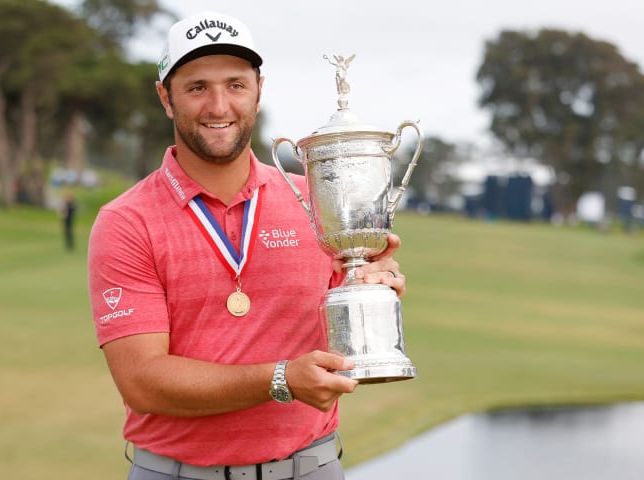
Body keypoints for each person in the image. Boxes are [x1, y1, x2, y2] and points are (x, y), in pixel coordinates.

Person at [87, 11, 407, 480]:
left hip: (312, 467)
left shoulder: (316, 201)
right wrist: (280, 379)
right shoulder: (127, 221)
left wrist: (374, 284)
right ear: (165, 97)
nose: (219, 106)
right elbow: (143, 383)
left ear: (258, 88)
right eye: (197, 87)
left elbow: (350, 326)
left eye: (235, 84)